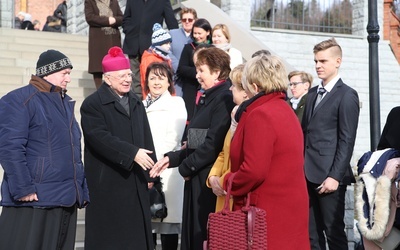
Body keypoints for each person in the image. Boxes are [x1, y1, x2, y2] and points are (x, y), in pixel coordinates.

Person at [0, 49, 89, 249]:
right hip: (35, 198)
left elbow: (73, 151)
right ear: (47, 72)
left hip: (65, 198)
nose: (69, 78)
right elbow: (10, 147)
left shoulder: (65, 103)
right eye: (64, 73)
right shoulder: (20, 100)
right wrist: (23, 187)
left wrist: (80, 189)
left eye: (69, 73)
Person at [221, 55, 310, 249]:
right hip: (288, 209)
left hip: (266, 212)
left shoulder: (261, 114)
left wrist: (228, 182)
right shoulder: (285, 110)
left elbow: (254, 170)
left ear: (254, 86)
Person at [150, 47, 235, 250]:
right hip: (196, 175)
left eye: (201, 70)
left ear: (216, 72)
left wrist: (185, 167)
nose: (197, 75)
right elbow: (195, 140)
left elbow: (212, 143)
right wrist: (172, 158)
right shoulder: (207, 97)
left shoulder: (223, 98)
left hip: (208, 179)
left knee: (202, 236)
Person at [81, 46, 156, 250]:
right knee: (111, 238)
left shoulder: (135, 101)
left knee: (136, 237)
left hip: (136, 179)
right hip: (109, 182)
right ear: (107, 78)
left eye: (129, 75)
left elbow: (146, 137)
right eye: (121, 76)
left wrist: (151, 171)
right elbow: (99, 138)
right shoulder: (92, 104)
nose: (127, 80)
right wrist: (132, 153)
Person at [302, 37, 360, 249]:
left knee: (333, 232)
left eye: (323, 61)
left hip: (329, 177)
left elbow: (347, 140)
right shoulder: (311, 94)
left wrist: (335, 176)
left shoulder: (347, 96)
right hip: (307, 174)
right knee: (311, 233)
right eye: (316, 61)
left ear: (338, 61)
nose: (318, 65)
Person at [143, 62, 187, 250]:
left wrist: (158, 164)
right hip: (144, 168)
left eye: (161, 77)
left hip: (167, 169)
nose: (156, 82)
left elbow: (174, 137)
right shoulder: (141, 104)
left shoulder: (176, 103)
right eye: (152, 78)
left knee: (168, 224)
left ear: (169, 81)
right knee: (148, 225)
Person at [207, 64, 248, 212]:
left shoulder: (250, 116)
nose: (230, 89)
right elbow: (225, 151)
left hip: (234, 192)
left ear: (245, 91)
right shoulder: (234, 113)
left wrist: (223, 180)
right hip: (223, 189)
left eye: (234, 86)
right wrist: (213, 176)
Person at [122, 0, 178, 100]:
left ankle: (150, 105)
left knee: (151, 79)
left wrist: (175, 42)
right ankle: (138, 107)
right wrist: (128, 30)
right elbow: (126, 18)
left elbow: (171, 22)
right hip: (133, 44)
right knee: (135, 82)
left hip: (151, 50)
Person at [177, 18, 212, 122]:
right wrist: (199, 72)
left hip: (208, 90)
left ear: (208, 32)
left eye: (199, 33)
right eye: (195, 33)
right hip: (190, 89)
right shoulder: (188, 48)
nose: (197, 36)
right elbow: (181, 69)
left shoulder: (213, 49)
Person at [84, 0, 123, 89]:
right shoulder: (90, 1)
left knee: (114, 67)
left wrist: (115, 20)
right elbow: (90, 17)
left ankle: (115, 90)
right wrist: (107, 20)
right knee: (98, 68)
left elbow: (121, 18)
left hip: (113, 39)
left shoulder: (114, 1)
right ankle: (100, 92)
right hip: (98, 40)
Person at [169, 7, 198, 96]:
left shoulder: (198, 36)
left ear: (195, 20)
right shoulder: (172, 34)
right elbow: (167, 51)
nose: (187, 22)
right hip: (176, 79)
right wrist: (179, 67)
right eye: (184, 19)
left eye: (190, 19)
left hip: (193, 80)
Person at [140, 23, 172, 99]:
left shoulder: (165, 58)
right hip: (153, 97)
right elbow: (146, 80)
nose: (169, 46)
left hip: (166, 95)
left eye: (169, 43)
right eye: (166, 43)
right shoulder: (149, 59)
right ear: (159, 44)